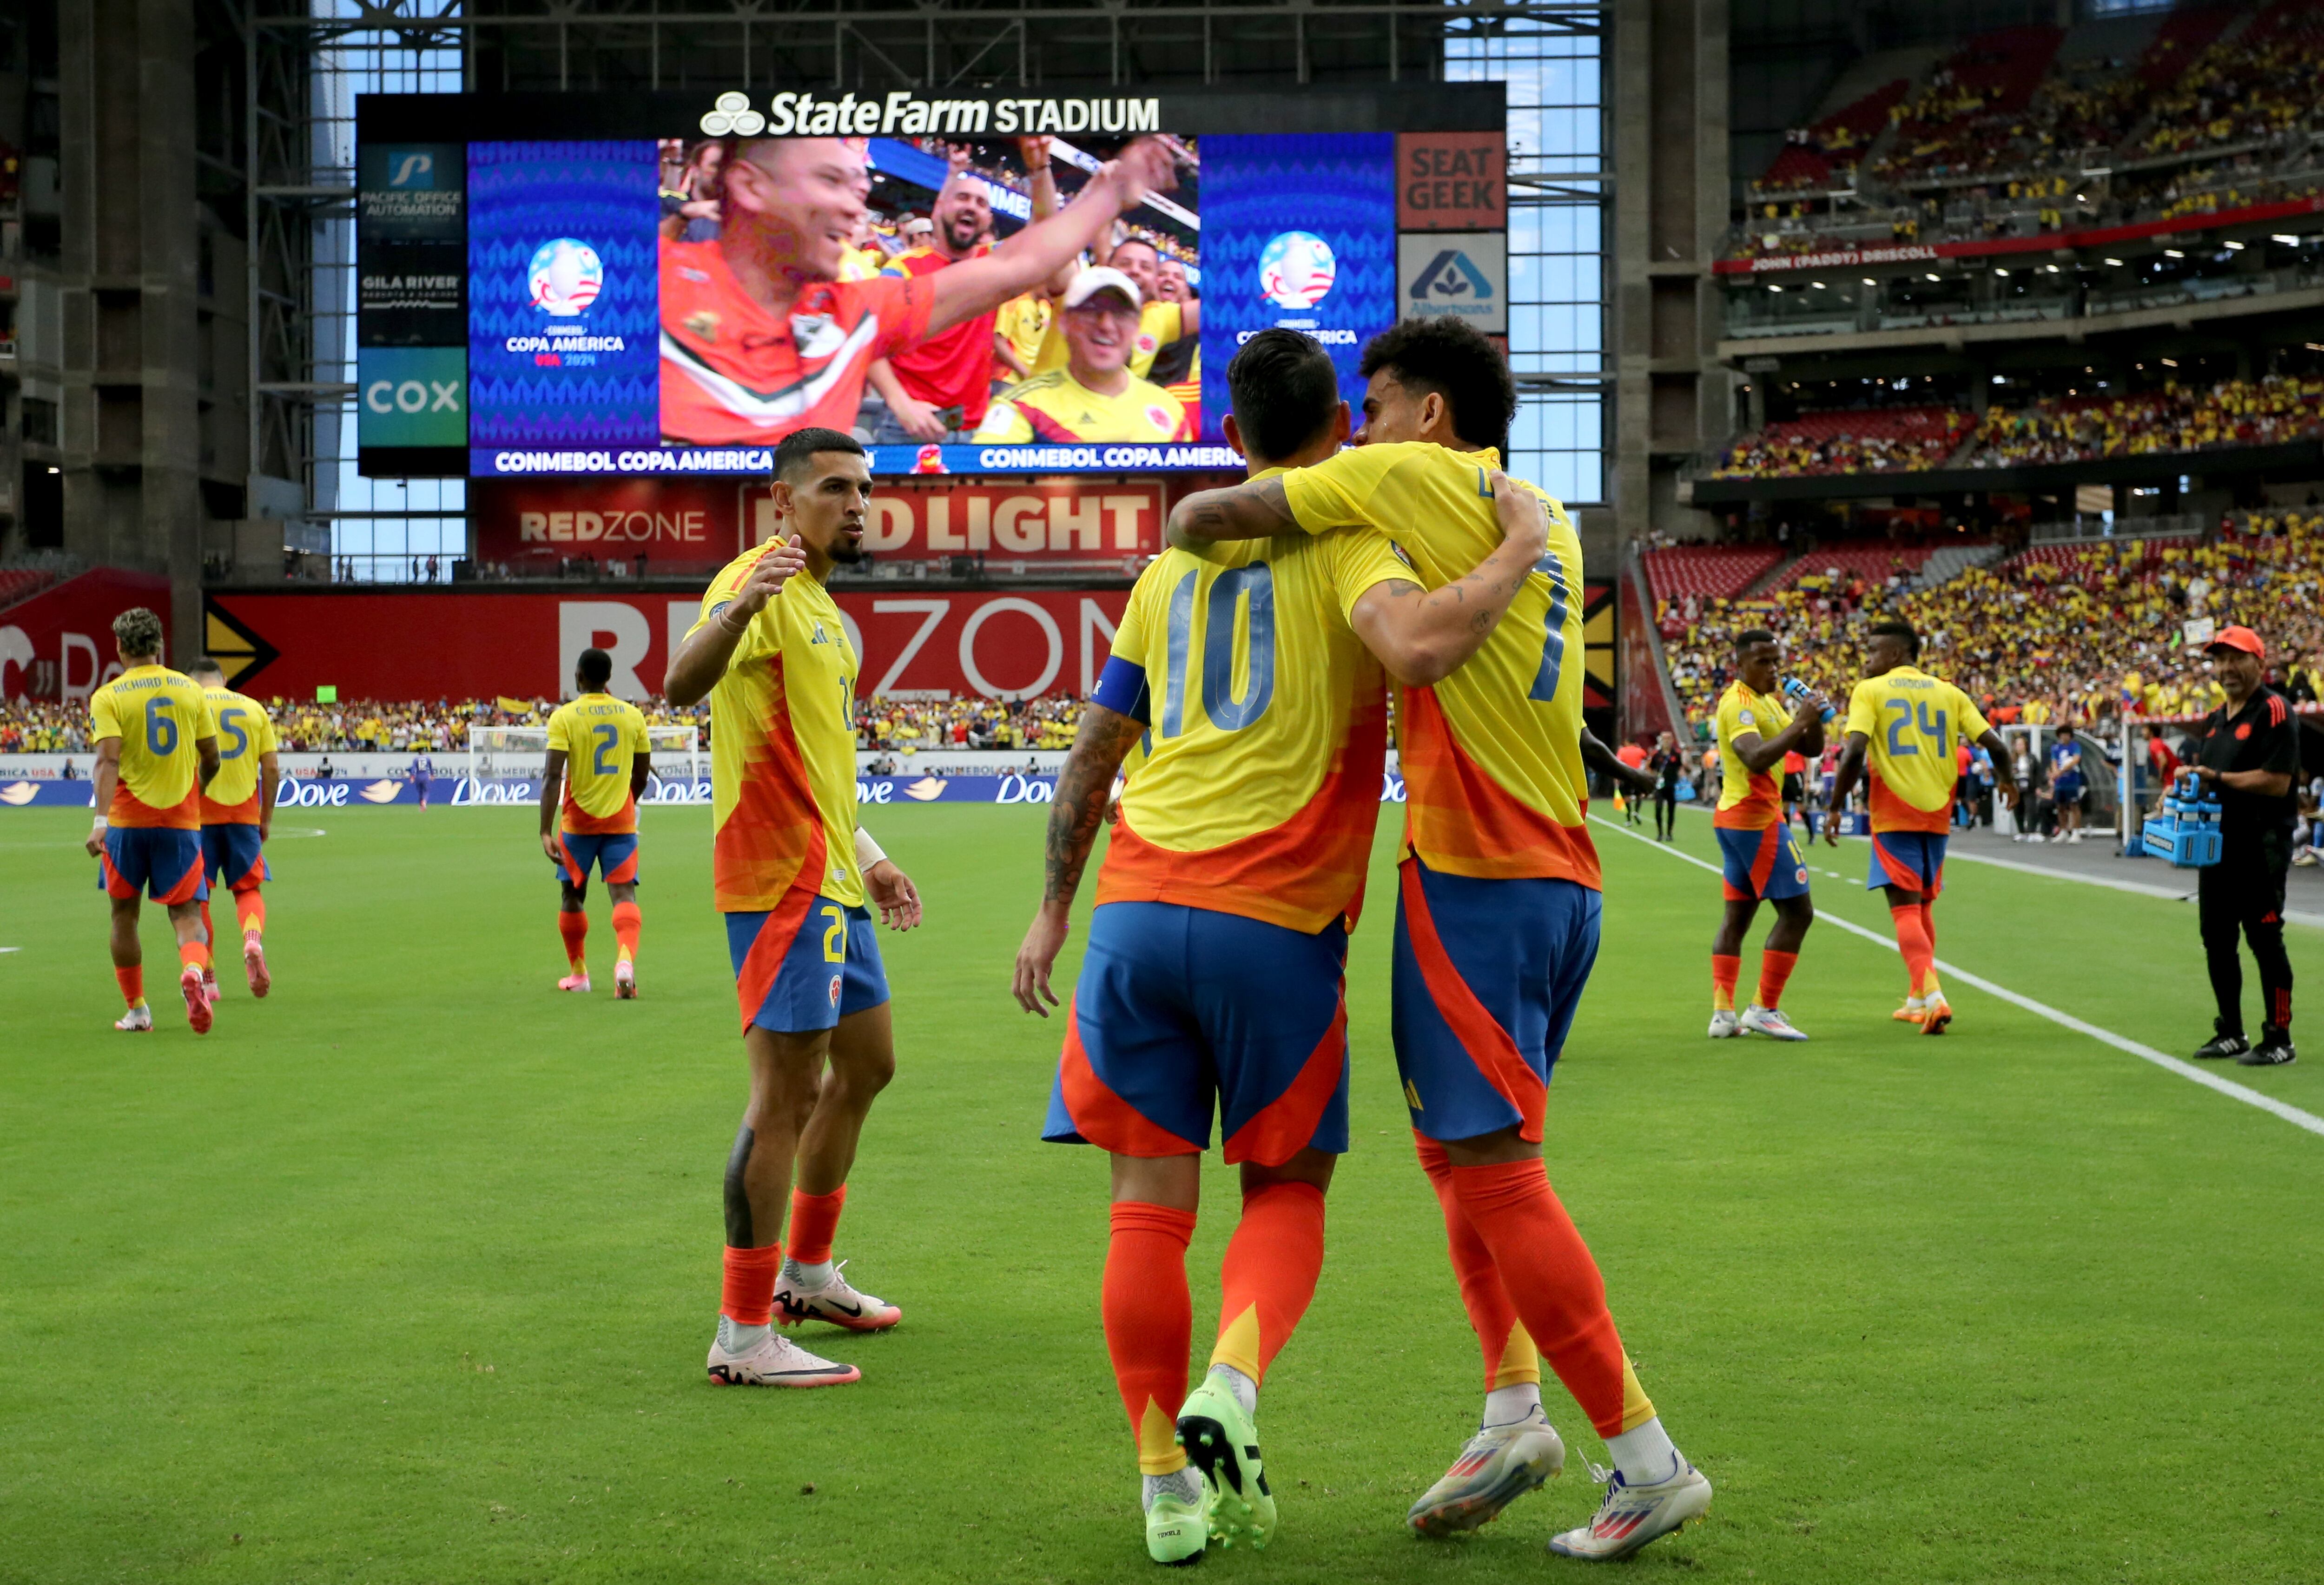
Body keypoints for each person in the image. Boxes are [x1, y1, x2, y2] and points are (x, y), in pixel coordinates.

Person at [1167, 316, 1712, 1562]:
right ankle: (1512, 1412)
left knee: (1499, 1168)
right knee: (1462, 1158)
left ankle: (1648, 1459)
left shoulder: (1413, 477)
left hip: (1478, 875)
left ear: (1426, 412)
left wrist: (1263, 509)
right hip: (1557, 876)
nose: (1357, 422)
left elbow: (1209, 517)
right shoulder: (1543, 510)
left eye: (1378, 399)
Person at [1011, 327, 1550, 1564]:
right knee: (1287, 1189)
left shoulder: (1164, 572)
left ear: (1231, 437)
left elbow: (1093, 752)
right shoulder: (1357, 545)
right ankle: (1233, 1385)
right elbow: (1426, 647)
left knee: (1145, 1212)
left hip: (1133, 917)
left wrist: (1052, 907)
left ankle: (1163, 1489)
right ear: (1342, 436)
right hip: (1277, 924)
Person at [664, 427, 925, 1390]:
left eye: (863, 488)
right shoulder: (761, 586)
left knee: (868, 1064)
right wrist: (739, 607)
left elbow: (816, 767)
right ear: (784, 499)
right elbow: (680, 682)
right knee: (785, 1097)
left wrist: (876, 857)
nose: (855, 503)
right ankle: (741, 1330)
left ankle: (807, 1277)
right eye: (833, 488)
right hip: (780, 879)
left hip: (833, 872)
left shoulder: (817, 603)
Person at [659, 136, 1180, 446]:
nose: (854, 209)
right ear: (751, 187)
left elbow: (1017, 265)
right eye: (829, 182)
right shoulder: (649, 286)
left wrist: (1111, 192)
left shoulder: (857, 312)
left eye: (858, 190)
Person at [1822, 619, 2018, 1035]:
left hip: (1895, 811)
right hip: (1937, 813)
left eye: (1873, 651)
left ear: (1895, 654)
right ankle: (1916, 996)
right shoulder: (1950, 692)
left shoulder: (1870, 691)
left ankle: (1933, 995)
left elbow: (1854, 749)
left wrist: (1835, 806)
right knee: (1924, 905)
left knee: (1904, 909)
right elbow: (1997, 746)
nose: (1868, 659)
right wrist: (2007, 781)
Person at [864, 143, 1060, 443]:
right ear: (940, 208)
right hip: (907, 426)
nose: (972, 206)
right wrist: (901, 403)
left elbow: (1047, 226)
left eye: (981, 203)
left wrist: (1040, 167)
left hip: (975, 428)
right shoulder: (903, 269)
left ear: (988, 220)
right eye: (963, 198)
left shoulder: (995, 264)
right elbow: (867, 335)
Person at [85, 608, 221, 1034]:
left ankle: (138, 1010)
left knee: (124, 915)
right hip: (179, 822)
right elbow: (212, 758)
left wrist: (101, 820)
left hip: (126, 823)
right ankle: (195, 973)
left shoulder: (109, 696)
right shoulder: (189, 690)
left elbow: (108, 760)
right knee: (187, 915)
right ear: (160, 646)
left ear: (121, 648)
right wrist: (194, 796)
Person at [2186, 626, 2298, 1066]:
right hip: (2216, 847)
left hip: (2261, 844)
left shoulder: (2274, 709)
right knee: (2216, 939)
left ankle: (2280, 1037)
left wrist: (2218, 779)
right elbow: (2208, 778)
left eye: (2237, 658)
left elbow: (2277, 781)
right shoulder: (2217, 721)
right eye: (2220, 660)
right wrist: (2185, 787)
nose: (2227, 668)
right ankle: (2231, 1031)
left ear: (2260, 662)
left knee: (2265, 939)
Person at [1707, 631, 1827, 1042]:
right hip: (1755, 819)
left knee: (1738, 917)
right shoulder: (1736, 703)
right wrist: (1800, 723)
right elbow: (1755, 758)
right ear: (1740, 666)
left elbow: (1810, 749)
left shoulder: (1770, 700)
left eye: (1776, 660)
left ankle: (1723, 1014)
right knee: (1798, 913)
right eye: (1762, 661)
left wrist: (1811, 717)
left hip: (1740, 818)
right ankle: (1764, 1007)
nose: (1773, 669)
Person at [539, 650, 652, 997]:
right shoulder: (633, 716)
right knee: (623, 894)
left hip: (578, 824)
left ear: (579, 676)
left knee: (572, 893)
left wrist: (545, 830)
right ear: (608, 677)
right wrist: (626, 801)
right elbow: (642, 774)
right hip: (620, 822)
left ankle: (579, 975)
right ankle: (624, 962)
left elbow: (552, 775)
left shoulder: (565, 717)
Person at [973, 268, 1194, 444]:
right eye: (1091, 311)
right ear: (1065, 323)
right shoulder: (1024, 406)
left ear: (1137, 327)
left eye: (1120, 314)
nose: (1106, 325)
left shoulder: (1171, 411)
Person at [189, 658, 279, 1000]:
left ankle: (209, 977)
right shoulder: (254, 709)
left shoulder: (191, 705)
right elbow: (271, 768)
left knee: (199, 899)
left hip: (198, 817)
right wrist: (265, 818)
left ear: (193, 681)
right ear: (223, 679)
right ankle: (252, 940)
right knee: (248, 889)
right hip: (243, 816)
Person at [1029, 233, 1199, 384]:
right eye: (1125, 263)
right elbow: (1050, 242)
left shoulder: (1161, 318)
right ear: (1107, 267)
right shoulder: (1078, 291)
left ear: (1155, 280)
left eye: (1145, 267)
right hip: (1041, 413)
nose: (1135, 270)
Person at [2048, 726, 2085, 843]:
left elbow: (2076, 760)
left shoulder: (2075, 746)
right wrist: (2055, 773)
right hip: (2060, 783)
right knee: (2060, 807)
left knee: (2074, 806)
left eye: (2067, 734)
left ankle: (2076, 831)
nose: (2064, 737)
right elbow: (2054, 762)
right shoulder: (2056, 748)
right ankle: (2063, 830)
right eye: (2062, 735)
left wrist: (2061, 771)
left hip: (2072, 781)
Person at [1651, 730, 1684, 842]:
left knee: (1671, 810)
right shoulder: (1657, 754)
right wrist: (1654, 779)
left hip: (1671, 785)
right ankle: (1660, 833)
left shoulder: (1676, 754)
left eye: (1669, 739)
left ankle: (1669, 833)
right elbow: (1652, 768)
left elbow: (1680, 767)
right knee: (1659, 809)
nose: (1667, 741)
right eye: (1665, 739)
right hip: (1660, 786)